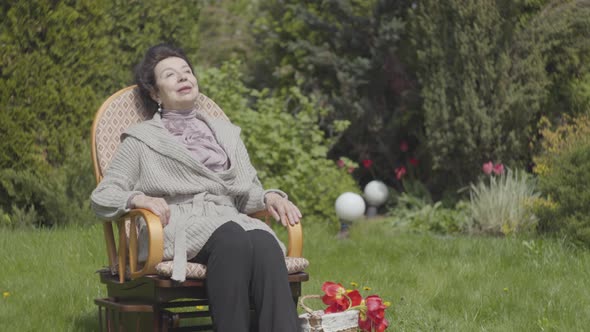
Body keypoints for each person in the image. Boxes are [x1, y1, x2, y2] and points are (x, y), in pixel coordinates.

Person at [90, 43, 302, 332]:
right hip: (175, 224)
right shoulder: (140, 140)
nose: (182, 77)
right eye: (170, 74)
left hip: (229, 218)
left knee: (264, 244)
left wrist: (270, 196)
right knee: (235, 238)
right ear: (155, 93)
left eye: (187, 71)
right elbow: (103, 196)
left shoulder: (227, 134)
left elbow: (245, 191)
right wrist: (138, 198)